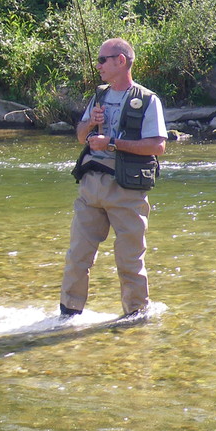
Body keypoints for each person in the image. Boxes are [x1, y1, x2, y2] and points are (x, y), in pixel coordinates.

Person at [60, 38, 167, 319]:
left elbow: (158, 146)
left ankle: (136, 317)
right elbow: (81, 136)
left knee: (130, 261)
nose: (98, 66)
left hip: (127, 190)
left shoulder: (147, 100)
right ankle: (68, 315)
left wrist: (112, 144)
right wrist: (91, 123)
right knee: (77, 257)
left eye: (103, 60)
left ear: (121, 61)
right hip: (90, 187)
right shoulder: (99, 96)